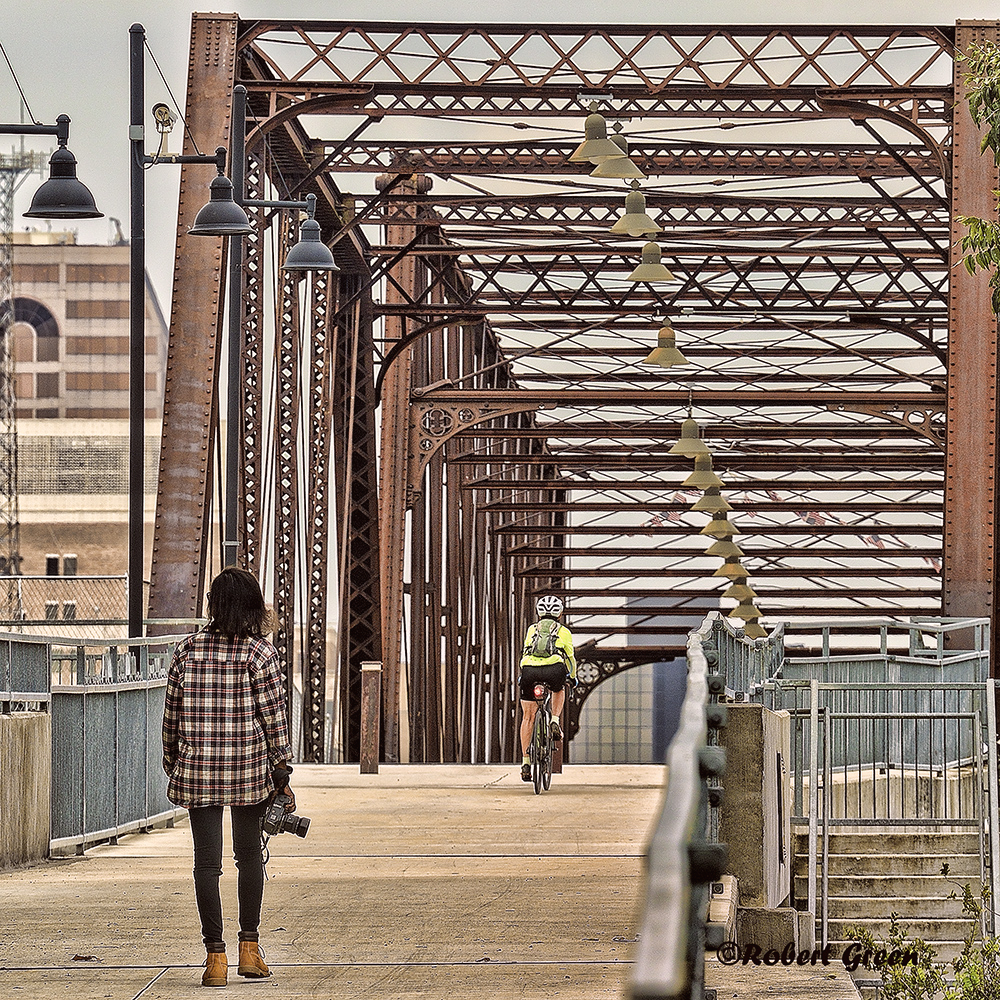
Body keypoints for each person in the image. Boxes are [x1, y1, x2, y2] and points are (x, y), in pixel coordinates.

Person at [161, 567, 295, 988]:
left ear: (213, 605)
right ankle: (250, 951)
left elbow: (172, 719)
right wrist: (282, 773)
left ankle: (214, 958)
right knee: (249, 856)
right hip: (248, 770)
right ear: (254, 606)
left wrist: (175, 762)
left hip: (198, 769)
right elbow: (274, 721)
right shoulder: (260, 654)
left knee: (206, 864)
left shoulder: (187, 651)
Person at [518, 595, 577, 782]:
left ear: (539, 612)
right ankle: (554, 720)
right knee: (559, 688)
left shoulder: (531, 629)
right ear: (560, 613)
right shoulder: (564, 631)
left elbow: (527, 649)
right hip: (554, 669)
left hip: (529, 670)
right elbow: (571, 659)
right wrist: (573, 678)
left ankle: (526, 762)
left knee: (528, 717)